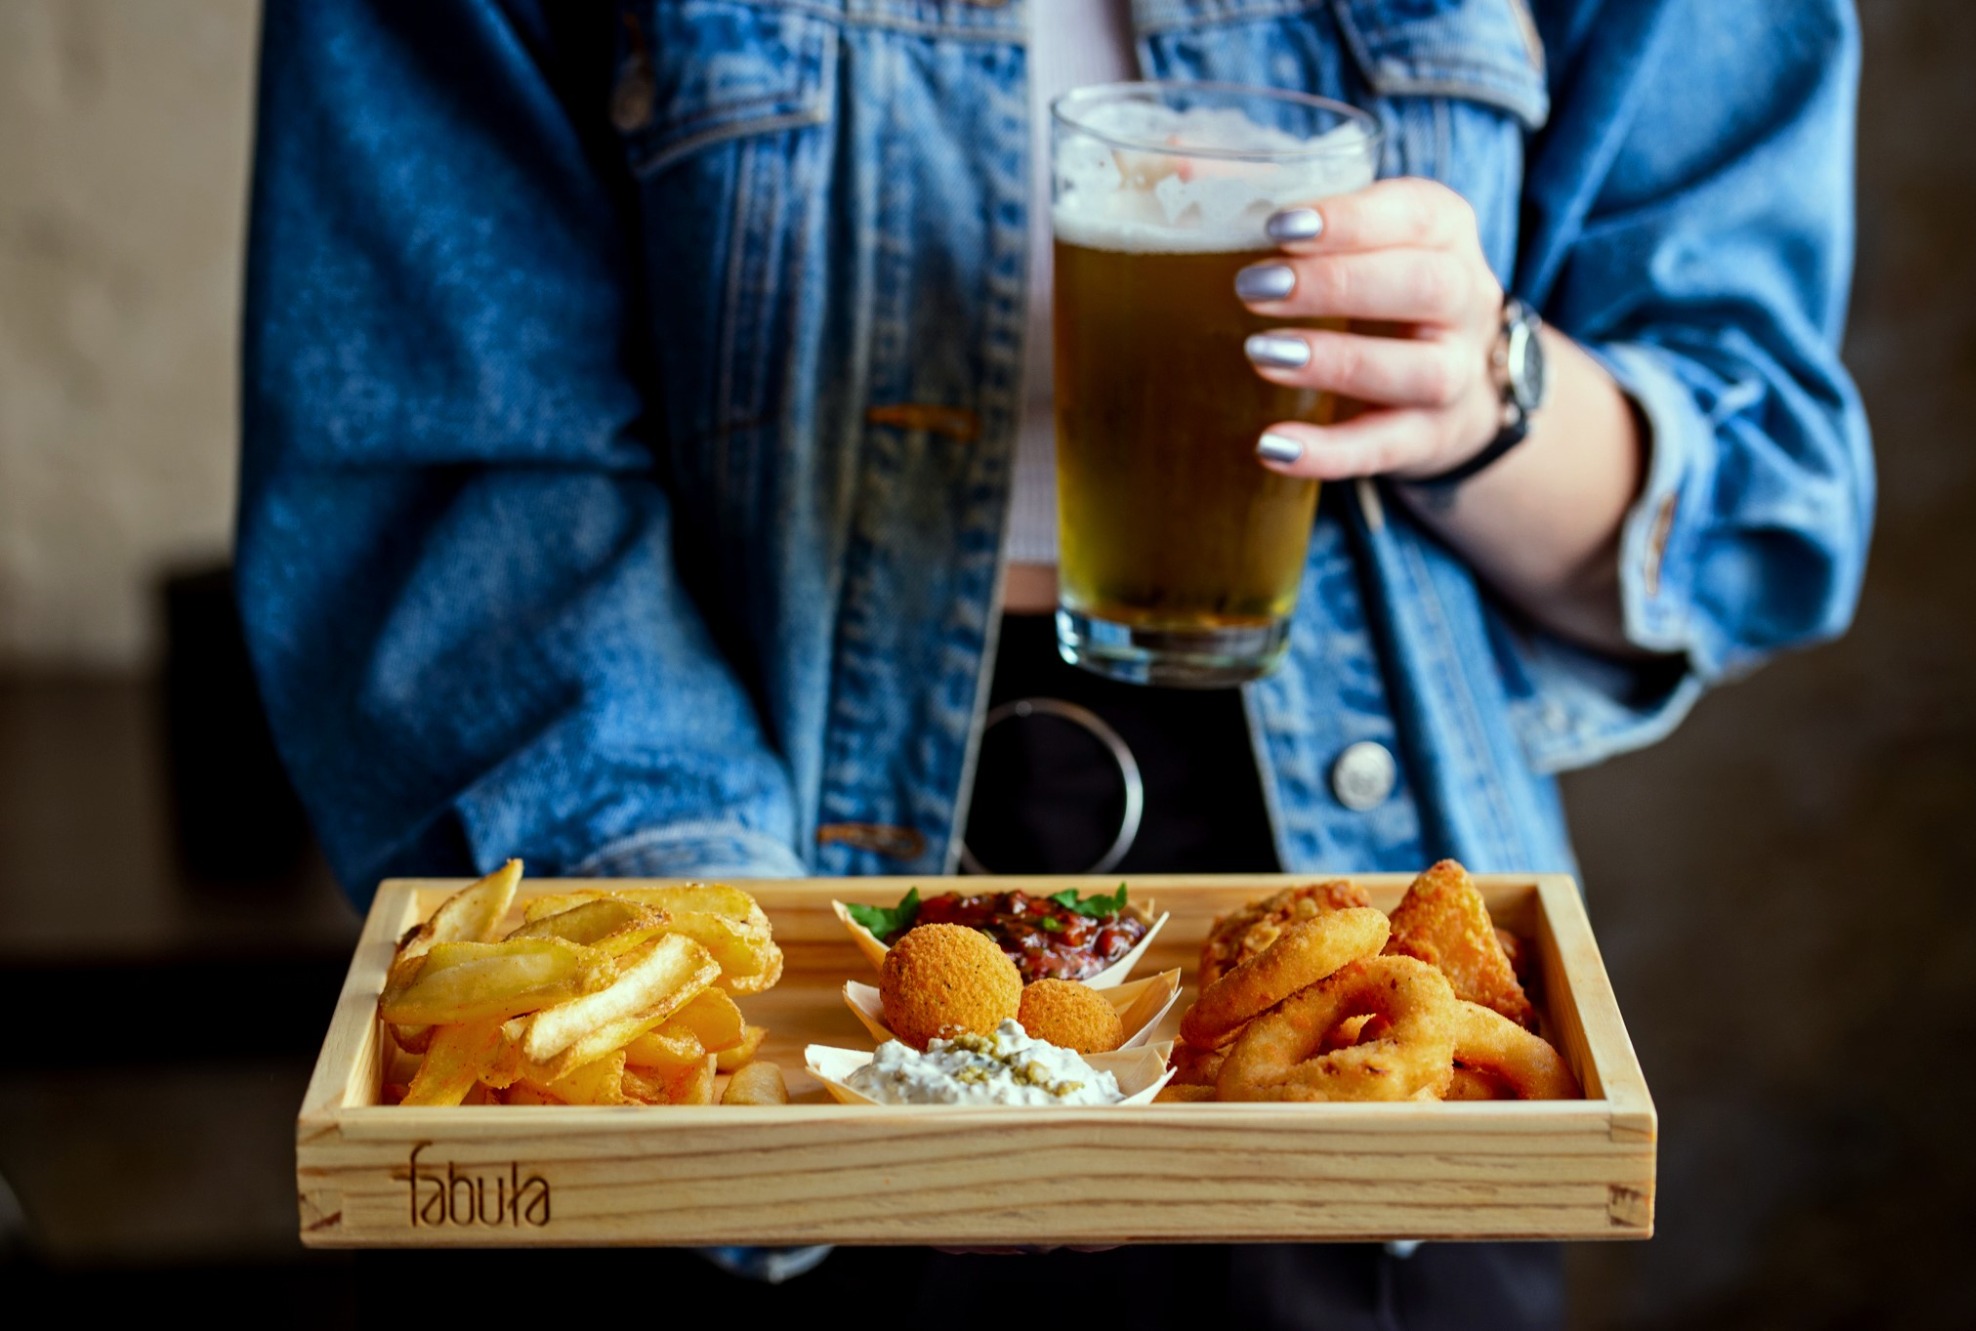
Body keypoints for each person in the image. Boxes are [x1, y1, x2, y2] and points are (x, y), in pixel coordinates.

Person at [238, 1, 1870, 1326]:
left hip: (1350, 933)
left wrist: (1486, 393)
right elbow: (456, 478)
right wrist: (717, 1019)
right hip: (729, 856)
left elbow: (1767, 499)